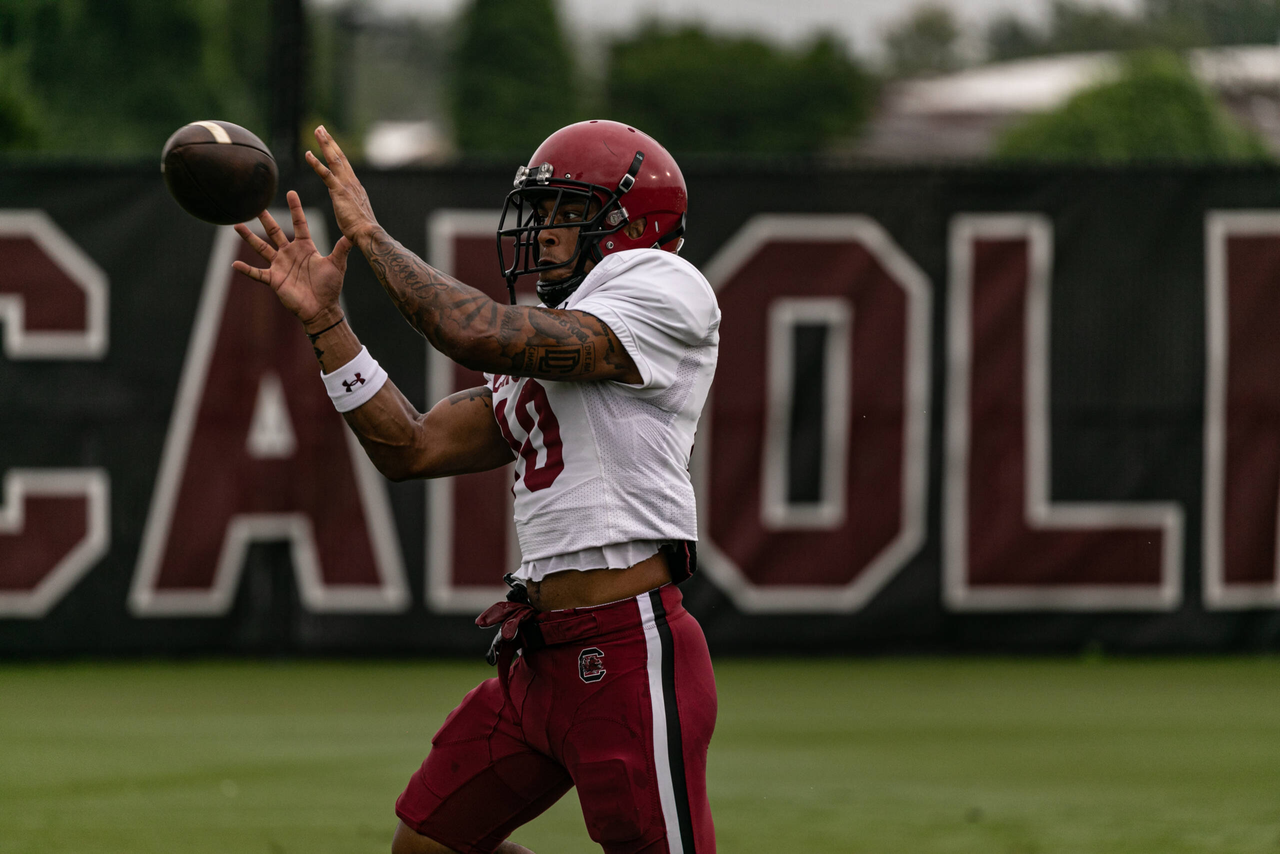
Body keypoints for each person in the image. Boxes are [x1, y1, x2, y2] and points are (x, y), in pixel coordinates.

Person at [233, 119, 721, 854]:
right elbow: (413, 447)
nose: (545, 232)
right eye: (541, 211)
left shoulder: (664, 288)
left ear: (630, 224)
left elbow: (475, 332)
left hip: (628, 646)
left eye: (567, 211)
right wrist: (329, 324)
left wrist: (368, 234)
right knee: (428, 845)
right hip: (539, 655)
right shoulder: (563, 323)